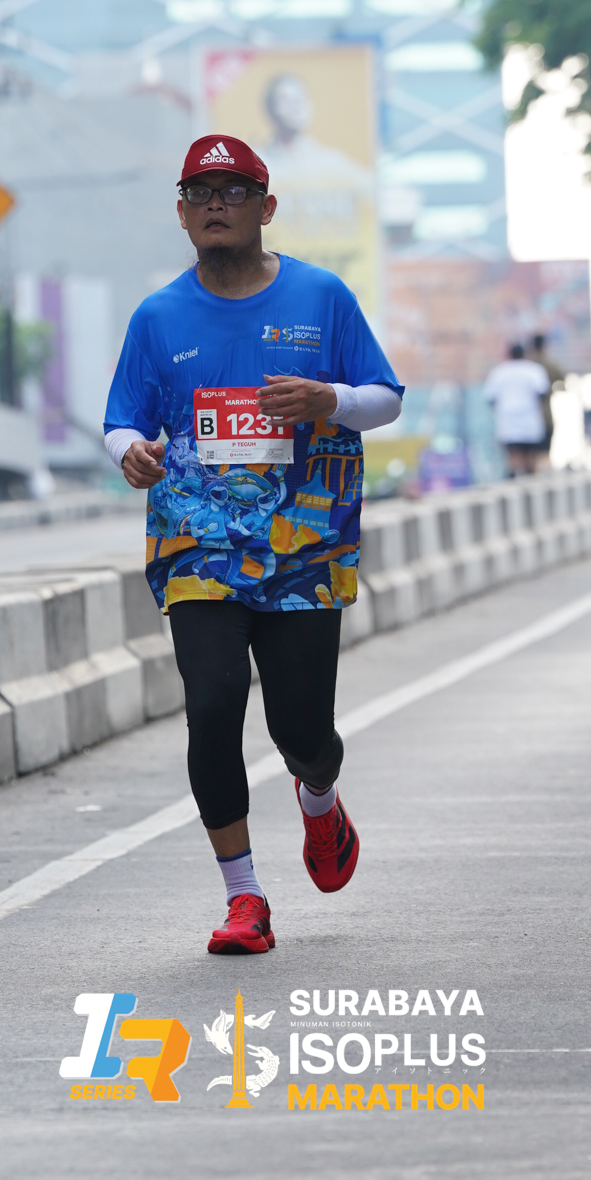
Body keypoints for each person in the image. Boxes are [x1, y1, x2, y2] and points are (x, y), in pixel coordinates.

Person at [104, 134, 403, 957]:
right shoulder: (158, 316)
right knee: (212, 704)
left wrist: (328, 399)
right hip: (197, 543)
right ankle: (244, 897)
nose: (216, 205)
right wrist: (129, 452)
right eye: (200, 193)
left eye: (234, 192)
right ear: (180, 213)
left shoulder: (321, 296)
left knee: (301, 729)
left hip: (304, 543)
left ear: (266, 207)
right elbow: (123, 418)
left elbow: (384, 398)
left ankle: (319, 795)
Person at [483, 342, 551, 477]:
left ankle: (514, 476)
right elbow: (543, 392)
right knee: (530, 455)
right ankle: (530, 479)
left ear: (508, 354)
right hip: (530, 418)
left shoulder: (499, 372)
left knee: (513, 453)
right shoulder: (534, 370)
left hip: (508, 419)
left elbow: (490, 398)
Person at [527, 332, 565, 469]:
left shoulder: (527, 365)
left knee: (529, 459)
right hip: (545, 416)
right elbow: (562, 384)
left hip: (526, 420)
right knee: (544, 455)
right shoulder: (549, 365)